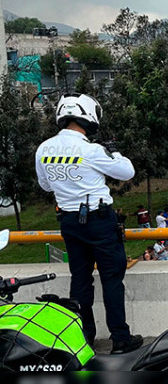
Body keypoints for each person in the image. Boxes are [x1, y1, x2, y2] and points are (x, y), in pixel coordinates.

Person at [34, 93, 142, 354]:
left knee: (80, 281)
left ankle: (84, 338)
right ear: (89, 115)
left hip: (69, 221)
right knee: (111, 279)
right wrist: (113, 150)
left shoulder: (43, 149)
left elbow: (45, 184)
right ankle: (120, 339)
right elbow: (127, 172)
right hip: (99, 221)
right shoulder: (92, 150)